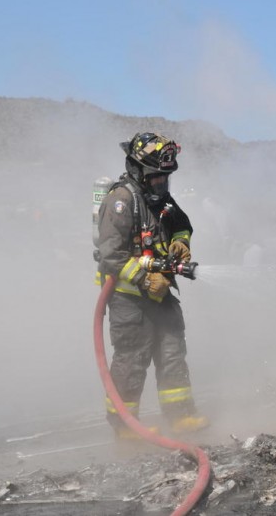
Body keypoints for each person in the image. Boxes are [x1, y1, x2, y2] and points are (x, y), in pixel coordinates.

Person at [95, 132, 208, 438]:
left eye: (165, 178)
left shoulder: (160, 198)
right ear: (137, 170)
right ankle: (125, 426)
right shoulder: (121, 201)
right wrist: (146, 278)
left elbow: (182, 224)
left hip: (161, 293)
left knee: (172, 352)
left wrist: (181, 243)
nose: (161, 183)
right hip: (128, 298)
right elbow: (110, 256)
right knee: (132, 360)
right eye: (155, 177)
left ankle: (180, 415)